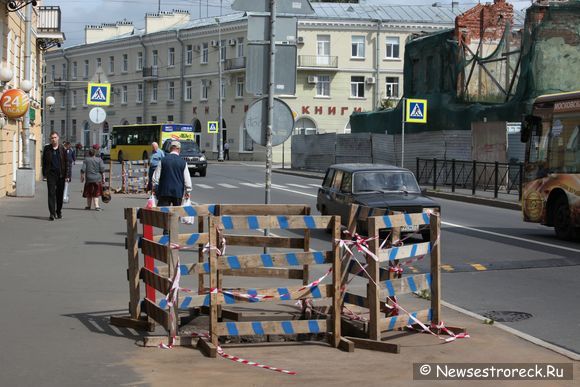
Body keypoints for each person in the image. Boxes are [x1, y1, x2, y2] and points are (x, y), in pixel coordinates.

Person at [152, 140, 192, 206]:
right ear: (179, 149)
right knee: (176, 214)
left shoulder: (163, 160)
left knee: (163, 213)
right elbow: (187, 179)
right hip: (178, 192)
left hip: (164, 191)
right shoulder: (183, 162)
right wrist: (188, 191)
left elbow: (155, 177)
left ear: (170, 149)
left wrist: (154, 188)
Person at [42, 131, 70, 221]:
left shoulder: (63, 149)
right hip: (51, 174)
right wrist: (44, 174)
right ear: (50, 139)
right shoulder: (47, 149)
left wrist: (67, 175)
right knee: (51, 193)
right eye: (52, 138)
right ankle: (52, 213)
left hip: (61, 174)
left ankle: (58, 211)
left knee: (59, 194)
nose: (53, 139)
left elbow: (67, 163)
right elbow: (44, 162)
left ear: (58, 138)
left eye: (55, 137)